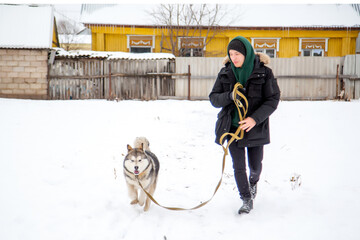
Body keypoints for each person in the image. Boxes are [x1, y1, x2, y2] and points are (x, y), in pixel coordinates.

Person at [209, 36, 280, 214]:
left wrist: (254, 119)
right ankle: (246, 199)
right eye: (231, 54)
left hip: (255, 127)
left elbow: (272, 99)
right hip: (233, 129)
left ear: (246, 53)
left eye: (237, 53)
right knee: (238, 166)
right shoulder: (225, 73)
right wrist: (230, 96)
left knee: (255, 166)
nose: (234, 57)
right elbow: (214, 98)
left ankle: (253, 181)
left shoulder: (264, 73)